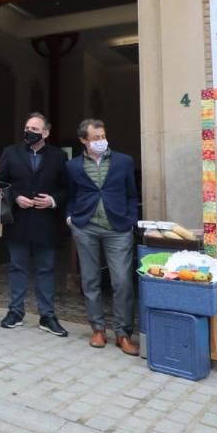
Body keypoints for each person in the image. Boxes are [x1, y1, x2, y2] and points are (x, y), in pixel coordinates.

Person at [66, 119, 141, 355]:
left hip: (117, 228)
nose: (101, 141)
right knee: (90, 281)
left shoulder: (124, 161)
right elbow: (71, 194)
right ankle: (97, 329)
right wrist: (70, 217)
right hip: (85, 226)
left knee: (122, 282)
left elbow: (132, 194)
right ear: (83, 140)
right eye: (96, 138)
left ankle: (123, 333)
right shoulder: (73, 166)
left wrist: (130, 220)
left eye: (103, 136)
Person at [0, 113, 70, 337]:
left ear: (45, 133)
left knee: (45, 269)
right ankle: (15, 311)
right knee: (17, 267)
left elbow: (67, 188)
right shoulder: (10, 152)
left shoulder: (59, 156)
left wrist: (53, 200)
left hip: (46, 222)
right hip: (18, 221)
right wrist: (16, 197)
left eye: (35, 128)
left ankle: (47, 315)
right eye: (27, 127)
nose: (29, 131)